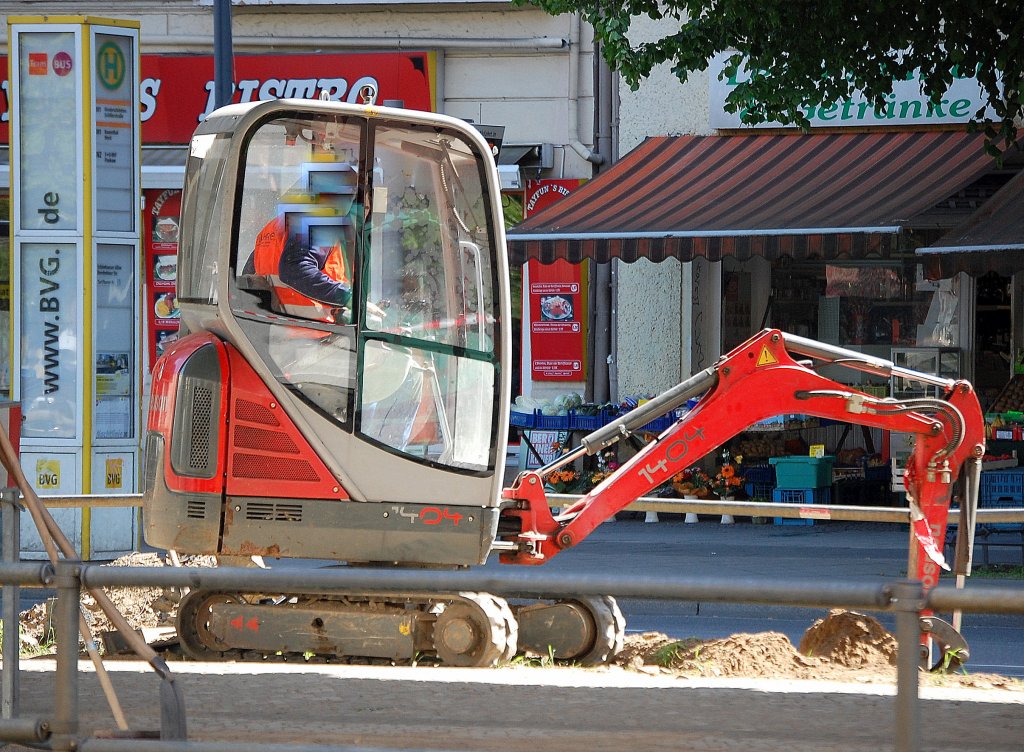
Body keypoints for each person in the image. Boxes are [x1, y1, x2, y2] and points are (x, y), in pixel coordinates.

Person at [245, 213, 353, 324]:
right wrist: (346, 297)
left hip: (274, 327)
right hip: (312, 329)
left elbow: (248, 276)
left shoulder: (270, 229)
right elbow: (295, 268)